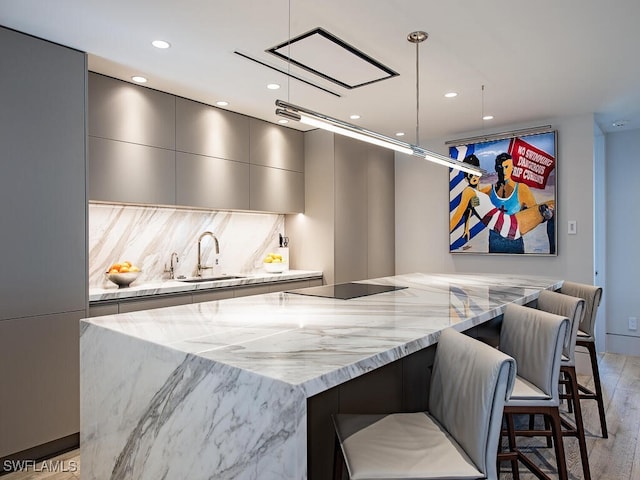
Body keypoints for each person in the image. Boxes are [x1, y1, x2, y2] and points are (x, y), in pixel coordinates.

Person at [450, 154, 554, 249]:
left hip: (511, 231)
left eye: (507, 167)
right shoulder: (477, 192)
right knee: (550, 206)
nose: (503, 171)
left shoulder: (481, 192)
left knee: (549, 208)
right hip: (506, 230)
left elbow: (468, 209)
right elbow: (458, 216)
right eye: (470, 174)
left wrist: (466, 228)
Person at [479, 152, 539, 253]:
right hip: (494, 243)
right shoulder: (488, 191)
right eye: (500, 167)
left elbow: (535, 215)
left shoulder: (522, 189)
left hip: (515, 243)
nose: (504, 171)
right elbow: (473, 203)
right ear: (496, 168)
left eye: (507, 167)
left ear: (512, 168)